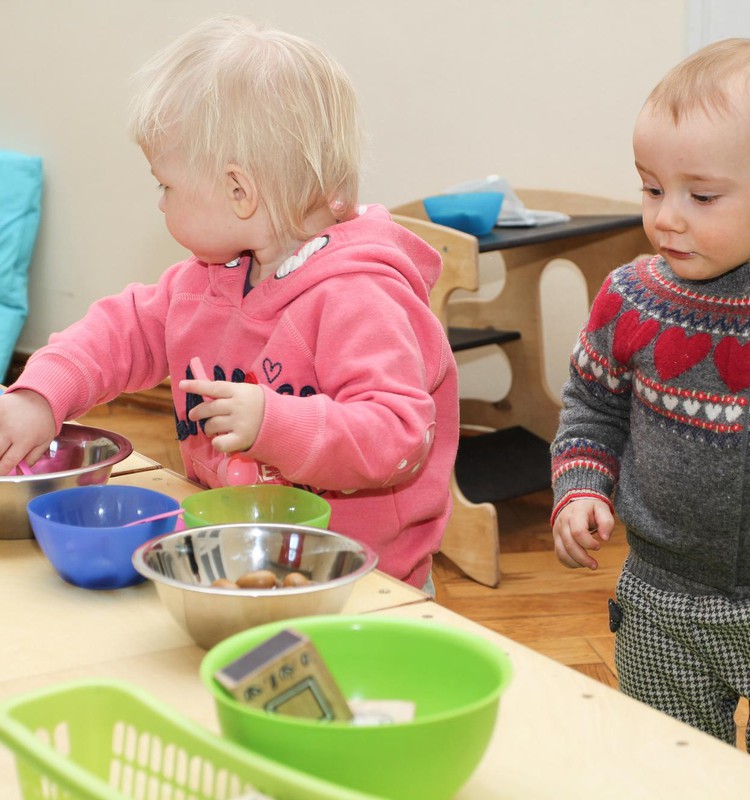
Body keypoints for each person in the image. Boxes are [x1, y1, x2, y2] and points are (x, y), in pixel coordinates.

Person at [0, 17, 458, 590]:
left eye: (165, 184)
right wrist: (42, 397)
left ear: (239, 191)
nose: (161, 203)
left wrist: (275, 423)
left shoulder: (360, 295)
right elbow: (123, 331)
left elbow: (398, 436)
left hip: (360, 580)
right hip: (238, 557)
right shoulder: (210, 277)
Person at [551, 37, 750, 746]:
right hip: (662, 597)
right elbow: (592, 409)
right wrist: (580, 488)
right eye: (651, 186)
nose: (667, 215)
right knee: (671, 763)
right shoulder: (629, 299)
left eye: (700, 195)